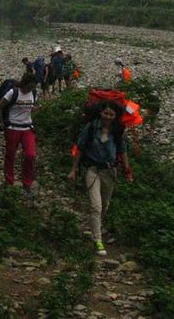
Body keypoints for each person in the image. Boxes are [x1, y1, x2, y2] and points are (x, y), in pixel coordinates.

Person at [68, 101, 133, 256]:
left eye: (111, 114)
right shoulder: (91, 128)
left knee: (104, 204)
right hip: (92, 169)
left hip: (109, 171)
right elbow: (80, 148)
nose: (108, 117)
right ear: (100, 113)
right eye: (106, 113)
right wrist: (74, 169)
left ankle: (95, 226)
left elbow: (122, 151)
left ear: (115, 116)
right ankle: (98, 240)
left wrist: (127, 170)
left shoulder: (117, 131)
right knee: (96, 206)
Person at [0, 73, 39, 195]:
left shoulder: (34, 94)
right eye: (30, 86)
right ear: (25, 83)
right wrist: (2, 123)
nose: (31, 89)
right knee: (10, 155)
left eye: (33, 87)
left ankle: (27, 183)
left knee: (30, 155)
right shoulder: (13, 93)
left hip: (27, 128)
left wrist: (33, 111)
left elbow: (32, 108)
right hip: (13, 127)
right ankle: (9, 181)